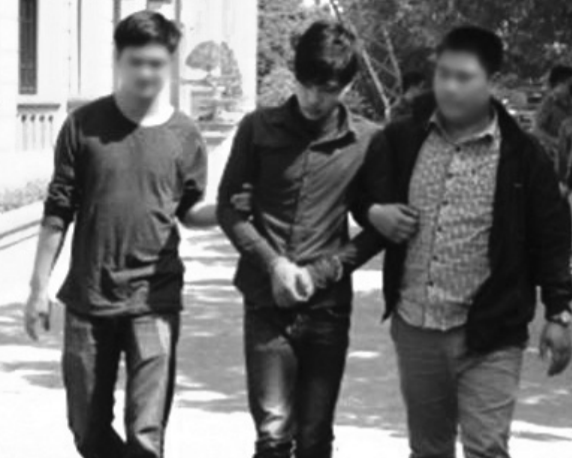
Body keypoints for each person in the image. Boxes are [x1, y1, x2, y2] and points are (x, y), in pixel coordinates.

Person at [22, 11, 243, 458]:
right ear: (117, 59)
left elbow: (189, 211)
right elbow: (58, 210)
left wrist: (229, 211)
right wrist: (38, 289)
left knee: (146, 435)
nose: (146, 73)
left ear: (170, 63)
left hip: (154, 300)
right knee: (86, 430)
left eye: (156, 63)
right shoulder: (83, 125)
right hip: (89, 298)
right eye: (136, 62)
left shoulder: (184, 134)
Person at [362, 26, 572, 457]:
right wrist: (374, 212)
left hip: (493, 330)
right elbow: (361, 192)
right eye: (443, 74)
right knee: (429, 449)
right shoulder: (402, 138)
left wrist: (559, 313)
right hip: (417, 325)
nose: (450, 87)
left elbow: (552, 237)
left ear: (491, 81)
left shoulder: (523, 156)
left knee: (487, 447)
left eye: (464, 77)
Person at [217, 20, 388, 458]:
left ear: (347, 87)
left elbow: (376, 227)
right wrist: (273, 264)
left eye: (327, 90)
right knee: (273, 434)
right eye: (307, 84)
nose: (314, 98)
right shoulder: (257, 129)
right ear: (295, 75)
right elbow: (227, 209)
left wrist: (325, 271)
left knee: (314, 437)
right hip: (265, 303)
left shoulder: (367, 142)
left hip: (326, 307)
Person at [533, 64, 572, 175]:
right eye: (569, 84)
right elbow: (537, 130)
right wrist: (556, 142)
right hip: (554, 156)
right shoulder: (549, 103)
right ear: (560, 84)